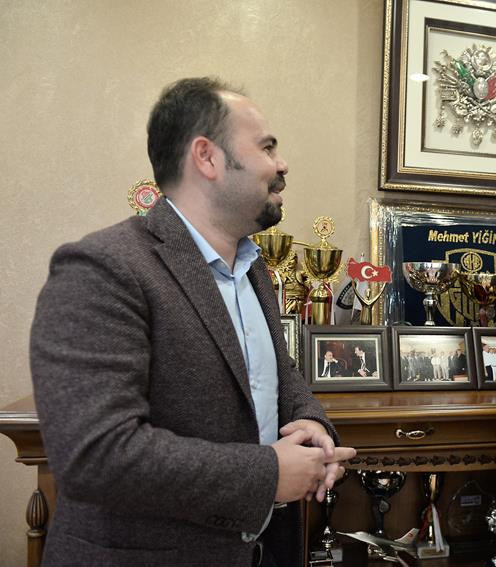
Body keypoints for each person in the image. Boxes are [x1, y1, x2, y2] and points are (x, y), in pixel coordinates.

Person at [29, 77, 356, 567]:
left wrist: (309, 421)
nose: (282, 164)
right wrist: (268, 474)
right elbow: (96, 456)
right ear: (207, 157)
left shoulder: (253, 267)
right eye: (267, 147)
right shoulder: (102, 267)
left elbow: (275, 372)